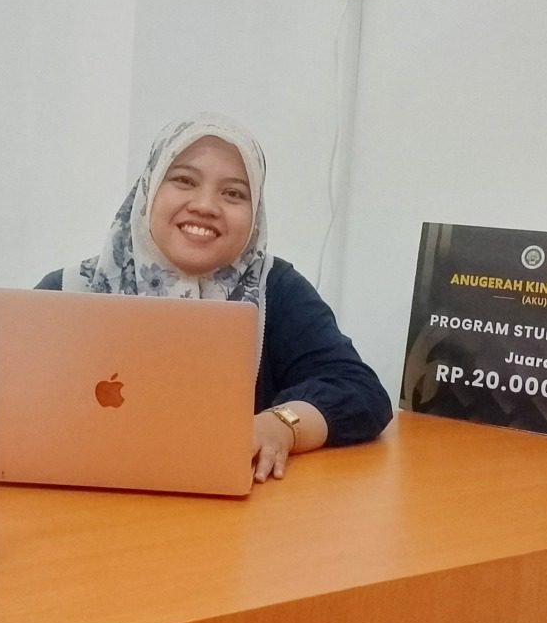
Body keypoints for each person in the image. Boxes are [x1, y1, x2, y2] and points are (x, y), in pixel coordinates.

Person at [38, 113, 391, 482]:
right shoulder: (68, 292)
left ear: (255, 213)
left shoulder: (275, 290)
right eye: (184, 180)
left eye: (233, 193)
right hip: (82, 504)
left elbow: (359, 390)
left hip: (231, 510)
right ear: (148, 189)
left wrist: (282, 424)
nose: (205, 205)